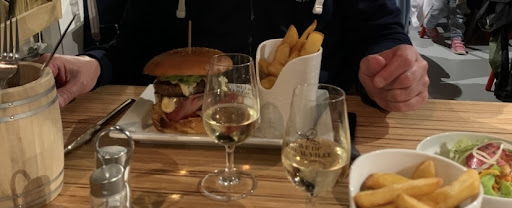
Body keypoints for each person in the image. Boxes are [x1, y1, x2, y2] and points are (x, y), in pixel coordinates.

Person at [39, 0, 429, 112]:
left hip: (312, 132)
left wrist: (388, 73)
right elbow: (132, 51)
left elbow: (380, 33)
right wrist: (93, 65)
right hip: (193, 152)